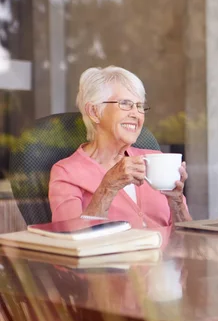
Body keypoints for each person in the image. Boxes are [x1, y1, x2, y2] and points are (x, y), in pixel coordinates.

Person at [49, 66, 192, 228]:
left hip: (165, 254)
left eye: (139, 106)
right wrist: (108, 187)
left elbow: (188, 239)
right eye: (125, 104)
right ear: (94, 112)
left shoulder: (155, 160)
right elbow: (69, 239)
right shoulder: (67, 172)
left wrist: (177, 201)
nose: (136, 114)